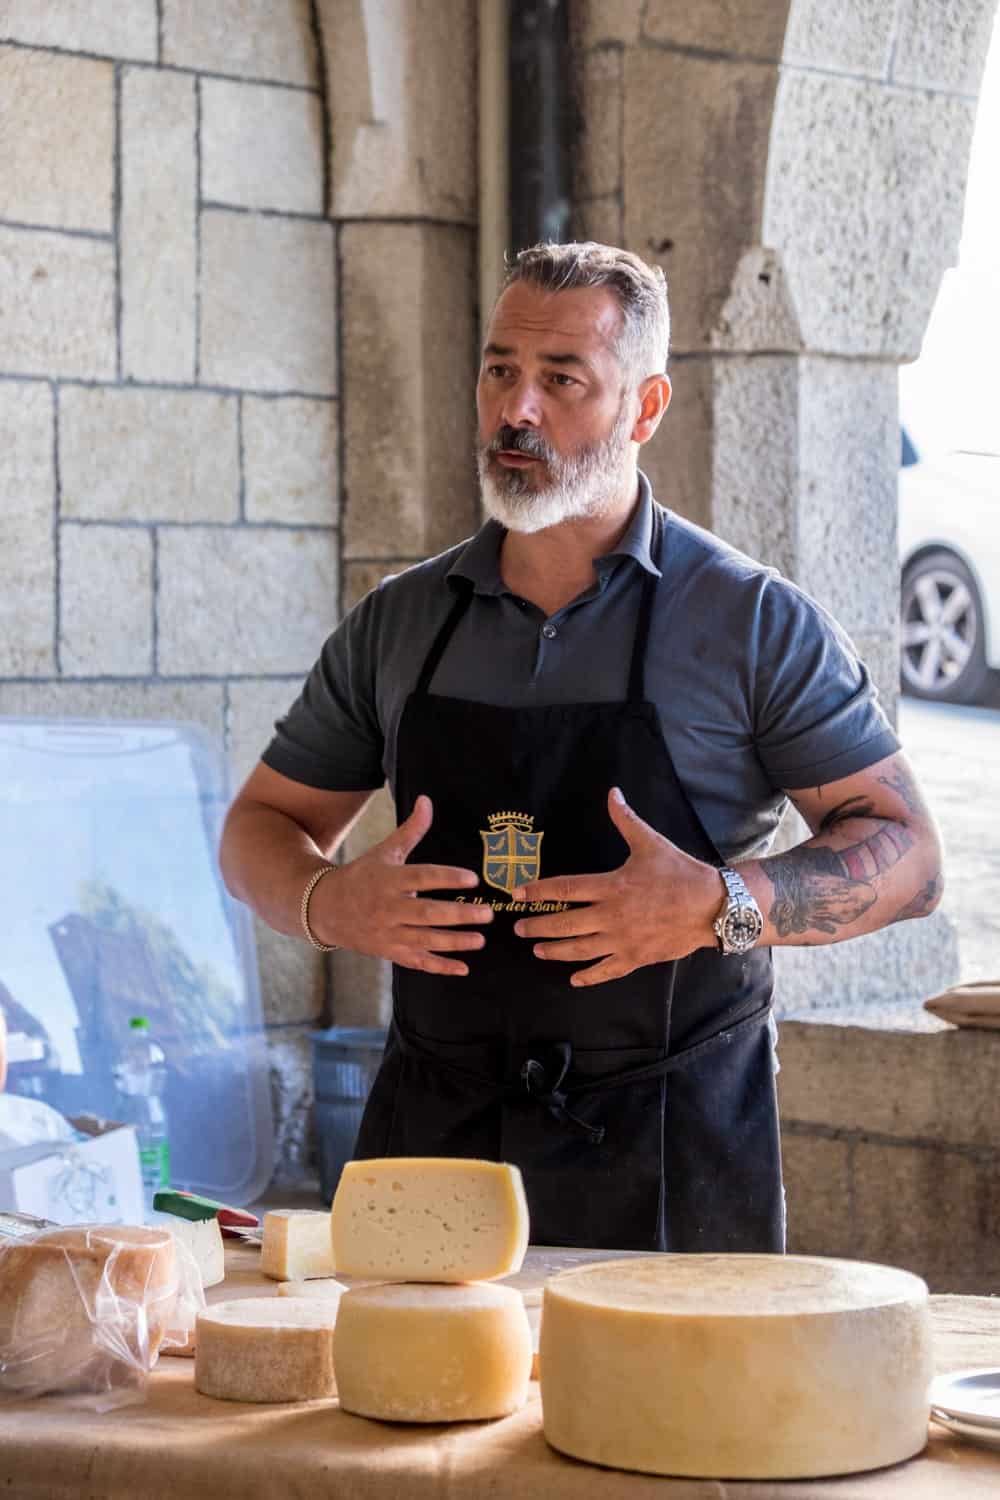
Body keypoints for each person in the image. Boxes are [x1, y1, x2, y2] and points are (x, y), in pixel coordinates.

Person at [221, 241, 943, 1253]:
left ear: (644, 409)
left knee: (668, 1419)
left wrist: (718, 904)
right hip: (434, 1148)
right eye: (499, 370)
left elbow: (909, 858)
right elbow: (260, 826)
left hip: (669, 1154)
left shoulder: (750, 622)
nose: (517, 410)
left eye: (562, 380)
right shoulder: (400, 622)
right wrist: (325, 902)